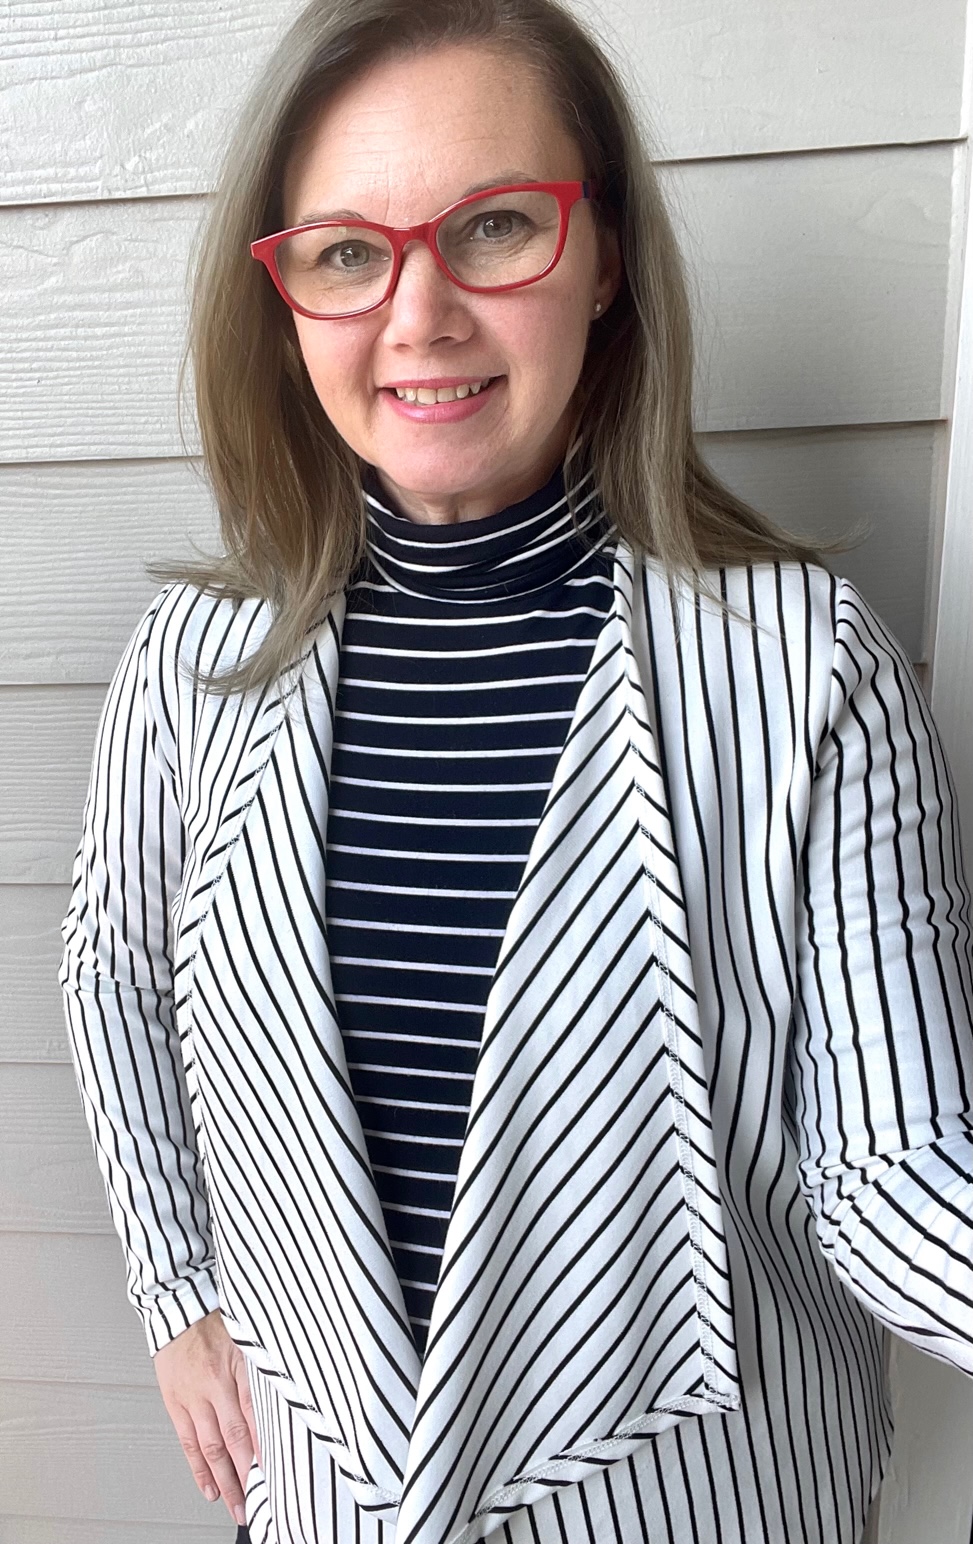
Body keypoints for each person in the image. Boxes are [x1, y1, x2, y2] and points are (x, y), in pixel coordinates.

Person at [58, 1, 973, 1541]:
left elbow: (893, 1176)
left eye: (493, 226)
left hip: (695, 1497)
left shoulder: (804, 673)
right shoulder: (195, 667)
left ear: (601, 257)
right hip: (333, 1493)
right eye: (346, 251)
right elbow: (115, 969)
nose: (417, 315)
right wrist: (177, 1286)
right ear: (283, 299)